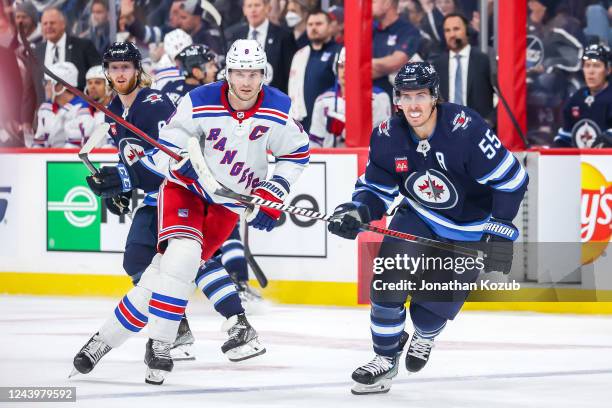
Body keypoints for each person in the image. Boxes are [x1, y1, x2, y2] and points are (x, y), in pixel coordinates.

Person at [328, 62, 528, 395]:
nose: (414, 105)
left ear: (434, 96)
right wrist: (358, 209)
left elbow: (513, 180)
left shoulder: (467, 130)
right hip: (418, 215)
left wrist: (501, 230)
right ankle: (384, 359)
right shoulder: (387, 136)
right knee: (387, 285)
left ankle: (424, 335)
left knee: (428, 314)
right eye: (406, 97)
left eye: (421, 95)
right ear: (397, 100)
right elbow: (376, 189)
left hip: (470, 228)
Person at [140, 38, 309, 384]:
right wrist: (177, 165)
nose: (246, 81)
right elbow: (162, 148)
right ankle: (162, 341)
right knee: (178, 258)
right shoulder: (198, 100)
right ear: (227, 73)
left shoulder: (278, 108)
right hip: (189, 192)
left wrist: (272, 193)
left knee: (195, 262)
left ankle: (233, 326)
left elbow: (296, 153)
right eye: (239, 73)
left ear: (264, 74)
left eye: (254, 73)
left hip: (229, 202)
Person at [309, 47, 391, 148]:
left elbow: (382, 139)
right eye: (341, 65)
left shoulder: (379, 98)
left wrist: (344, 129)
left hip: (366, 159)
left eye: (350, 65)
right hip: (332, 160)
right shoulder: (323, 100)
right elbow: (315, 143)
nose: (344, 70)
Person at [432, 13, 495, 122]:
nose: (452, 34)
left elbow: (500, 94)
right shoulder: (438, 64)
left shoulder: (483, 59)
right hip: (448, 128)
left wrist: (491, 120)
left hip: (479, 127)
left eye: (456, 29)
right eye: (447, 30)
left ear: (467, 31)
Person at [225, 0, 297, 93]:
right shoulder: (234, 35)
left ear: (267, 8)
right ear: (244, 10)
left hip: (273, 97)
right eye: (249, 6)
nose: (253, 10)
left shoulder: (283, 36)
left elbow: (290, 73)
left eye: (257, 5)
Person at [288, 9, 341, 132]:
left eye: (319, 24)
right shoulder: (300, 54)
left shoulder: (340, 52)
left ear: (330, 27)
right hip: (302, 123)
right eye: (310, 24)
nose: (314, 28)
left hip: (329, 123)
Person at [554, 43, 612, 148]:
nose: (591, 71)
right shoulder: (576, 98)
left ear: (608, 70)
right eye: (587, 65)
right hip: (580, 161)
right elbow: (566, 134)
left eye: (597, 66)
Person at [34, 8, 101, 92]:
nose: (48, 26)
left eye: (52, 23)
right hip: (45, 104)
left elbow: (99, 76)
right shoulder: (35, 52)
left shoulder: (84, 46)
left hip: (78, 103)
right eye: (45, 24)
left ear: (63, 24)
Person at [32, 61, 96, 148]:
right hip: (50, 158)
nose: (45, 86)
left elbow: (74, 147)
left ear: (60, 86)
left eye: (48, 82)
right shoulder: (45, 108)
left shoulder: (82, 108)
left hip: (72, 160)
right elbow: (39, 142)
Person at [371, 0, 421, 99]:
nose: (368, 5)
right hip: (369, 97)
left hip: (397, 101)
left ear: (387, 3)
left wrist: (364, 64)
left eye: (373, 1)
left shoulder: (408, 31)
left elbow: (396, 62)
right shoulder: (370, 29)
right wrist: (385, 68)